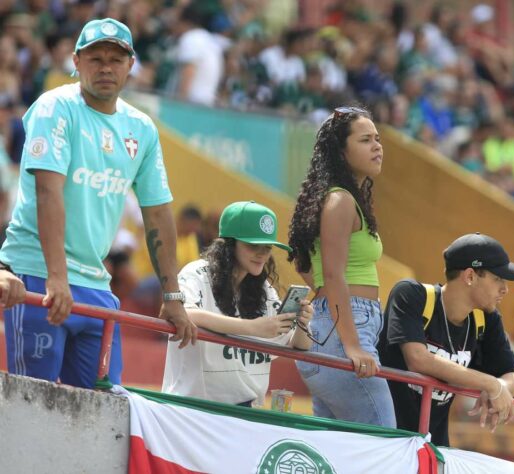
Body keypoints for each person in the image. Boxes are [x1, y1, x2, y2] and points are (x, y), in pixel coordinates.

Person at [0, 18, 197, 389]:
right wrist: (57, 277)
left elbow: (157, 212)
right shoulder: (55, 107)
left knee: (102, 407)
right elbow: (48, 191)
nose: (106, 67)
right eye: (95, 58)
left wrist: (172, 296)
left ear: (131, 65)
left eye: (115, 59)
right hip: (39, 273)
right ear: (76, 62)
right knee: (32, 405)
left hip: (96, 286)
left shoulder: (141, 128)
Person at [288, 105, 395, 427]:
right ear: (341, 151)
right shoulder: (341, 201)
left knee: (342, 453)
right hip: (345, 331)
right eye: (365, 140)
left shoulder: (342, 199)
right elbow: (333, 273)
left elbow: (308, 266)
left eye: (377, 139)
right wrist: (352, 344)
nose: (377, 146)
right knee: (382, 446)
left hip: (333, 328)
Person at [377, 233, 514, 446]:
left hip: (431, 446)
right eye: (498, 279)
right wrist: (491, 384)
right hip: (383, 437)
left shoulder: (486, 318)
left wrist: (501, 387)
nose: (505, 289)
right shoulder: (411, 295)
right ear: (469, 276)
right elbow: (418, 359)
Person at [163, 201, 313, 406]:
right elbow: (182, 313)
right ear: (229, 244)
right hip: (194, 409)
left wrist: (303, 322)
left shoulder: (264, 288)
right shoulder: (196, 272)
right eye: (253, 245)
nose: (262, 254)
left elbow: (298, 344)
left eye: (267, 247)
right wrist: (252, 328)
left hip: (247, 415)